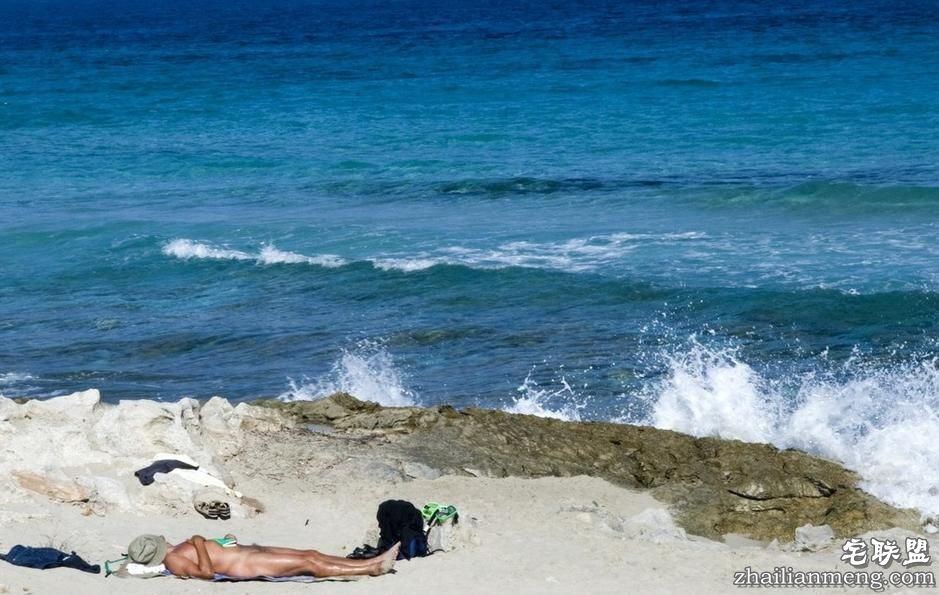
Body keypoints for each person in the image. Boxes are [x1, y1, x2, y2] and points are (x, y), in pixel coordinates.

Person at [127, 533, 399, 580]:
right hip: (248, 564)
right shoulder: (173, 562)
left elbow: (211, 553)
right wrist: (199, 543)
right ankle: (370, 570)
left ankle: (368, 562)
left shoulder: (176, 552)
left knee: (310, 554)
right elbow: (207, 574)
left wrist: (221, 540)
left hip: (246, 550)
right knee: (309, 564)